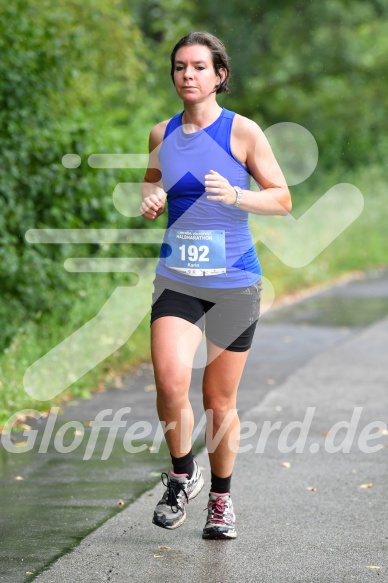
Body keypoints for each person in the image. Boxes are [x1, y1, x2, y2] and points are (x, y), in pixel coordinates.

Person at [140, 31, 291, 540]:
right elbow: (152, 178)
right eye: (181, 67)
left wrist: (236, 196)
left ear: (219, 76)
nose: (188, 75)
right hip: (177, 277)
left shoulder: (242, 132)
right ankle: (183, 473)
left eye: (200, 67)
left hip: (233, 282)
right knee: (168, 382)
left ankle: (221, 502)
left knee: (217, 401)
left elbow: (282, 198)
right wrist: (153, 198)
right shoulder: (161, 133)